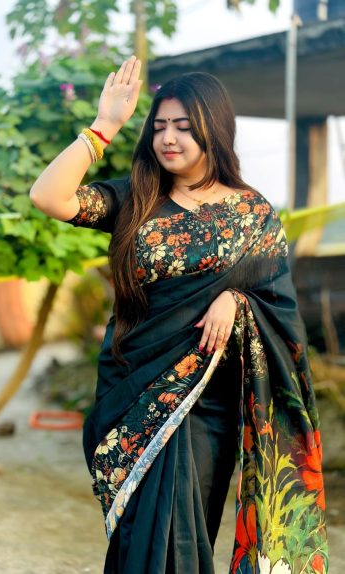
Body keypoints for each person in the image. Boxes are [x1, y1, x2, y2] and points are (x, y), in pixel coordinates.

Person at [30, 56, 328, 573]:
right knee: (139, 535)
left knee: (186, 535)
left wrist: (237, 301)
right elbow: (48, 197)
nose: (169, 138)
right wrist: (103, 126)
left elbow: (280, 311)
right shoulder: (137, 199)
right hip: (132, 390)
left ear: (215, 129)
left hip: (207, 403)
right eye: (160, 127)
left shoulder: (252, 215)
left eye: (185, 127)